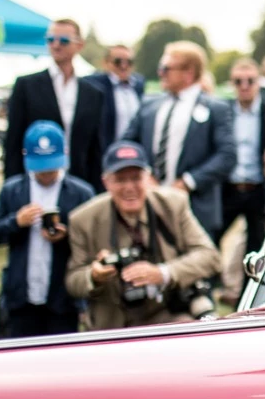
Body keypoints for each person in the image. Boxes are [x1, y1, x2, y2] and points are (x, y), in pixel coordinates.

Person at [66, 141, 223, 330]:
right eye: (120, 180)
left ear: (148, 178)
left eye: (136, 178)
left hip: (167, 315)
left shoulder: (173, 204)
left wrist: (163, 273)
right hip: (113, 324)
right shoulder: (83, 219)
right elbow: (72, 280)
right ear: (106, 182)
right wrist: (94, 275)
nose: (129, 187)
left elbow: (210, 256)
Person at [0, 121, 96, 338]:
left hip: (62, 299)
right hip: (21, 297)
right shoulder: (13, 190)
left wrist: (67, 236)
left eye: (51, 168)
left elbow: (94, 242)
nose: (46, 175)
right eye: (40, 169)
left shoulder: (80, 193)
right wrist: (16, 221)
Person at [122, 41, 234, 241]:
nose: (161, 73)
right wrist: (144, 174)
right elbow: (127, 144)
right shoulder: (149, 104)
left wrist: (188, 182)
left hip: (195, 207)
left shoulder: (216, 108)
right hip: (149, 204)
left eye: (166, 68)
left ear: (188, 72)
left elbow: (227, 156)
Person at [3, 19, 106, 188]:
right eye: (51, 39)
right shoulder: (27, 86)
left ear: (79, 45)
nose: (56, 45)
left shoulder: (93, 93)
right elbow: (13, 143)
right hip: (36, 182)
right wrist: (13, 188)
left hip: (79, 184)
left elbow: (95, 150)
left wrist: (96, 190)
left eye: (64, 40)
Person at [220, 58, 265, 258]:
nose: (245, 86)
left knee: (256, 247)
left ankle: (248, 289)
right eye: (239, 81)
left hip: (258, 188)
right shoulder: (223, 111)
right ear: (232, 84)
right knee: (211, 236)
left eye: (250, 81)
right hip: (229, 187)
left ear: (259, 82)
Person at [82, 43, 145, 168]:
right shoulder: (95, 84)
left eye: (129, 62)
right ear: (106, 63)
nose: (124, 66)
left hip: (132, 155)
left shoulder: (138, 84)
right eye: (118, 61)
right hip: (105, 154)